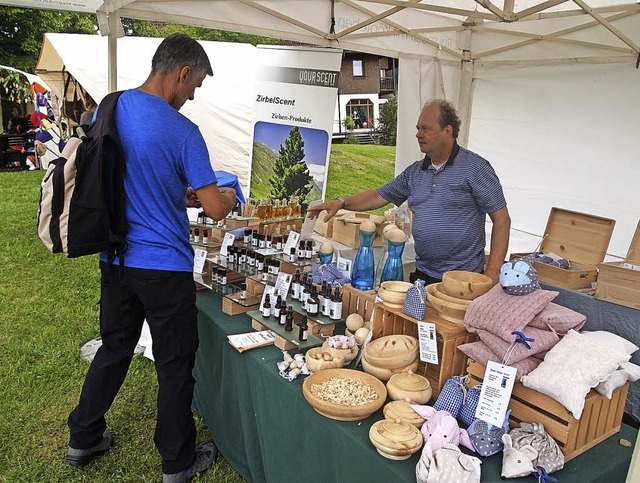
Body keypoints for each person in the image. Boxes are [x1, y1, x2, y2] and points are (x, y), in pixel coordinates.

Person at [65, 33, 236, 483]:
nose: (192, 96)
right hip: (164, 267)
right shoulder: (183, 131)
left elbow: (129, 172)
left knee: (115, 348)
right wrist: (229, 196)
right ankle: (177, 463)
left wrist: (173, 191)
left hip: (115, 257)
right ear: (182, 73)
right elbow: (215, 209)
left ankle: (82, 437)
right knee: (175, 366)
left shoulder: (110, 106)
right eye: (194, 86)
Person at [308, 99, 510, 284]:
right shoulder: (415, 172)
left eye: (426, 128)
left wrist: (493, 272)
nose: (418, 134)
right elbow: (379, 195)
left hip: (464, 279)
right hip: (423, 275)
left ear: (447, 131)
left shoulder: (476, 168)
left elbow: (502, 220)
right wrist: (342, 201)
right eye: (418, 128)